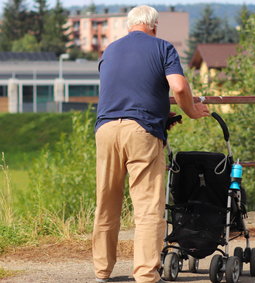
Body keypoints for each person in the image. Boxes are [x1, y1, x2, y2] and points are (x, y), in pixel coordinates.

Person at [92, 5, 210, 283]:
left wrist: (158, 111)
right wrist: (192, 110)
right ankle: (145, 274)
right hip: (142, 131)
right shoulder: (162, 48)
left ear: (129, 26)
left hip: (106, 129)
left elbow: (124, 89)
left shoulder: (109, 50)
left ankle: (102, 270)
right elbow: (179, 88)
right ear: (154, 26)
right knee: (147, 207)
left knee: (107, 201)